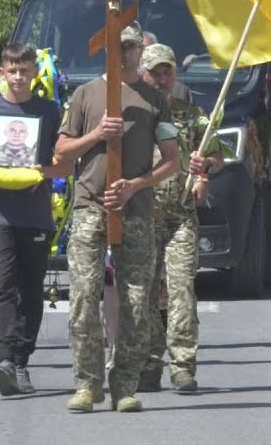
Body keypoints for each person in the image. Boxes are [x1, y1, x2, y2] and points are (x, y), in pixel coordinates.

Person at [56, 21, 181, 414]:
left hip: (137, 210)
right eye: (117, 46)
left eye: (129, 46)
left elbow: (173, 161)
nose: (124, 53)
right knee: (83, 297)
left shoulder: (153, 99)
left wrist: (136, 185)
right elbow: (62, 151)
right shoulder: (84, 94)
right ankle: (86, 383)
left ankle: (124, 384)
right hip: (91, 204)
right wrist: (96, 135)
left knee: (136, 301)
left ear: (139, 49)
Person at [0, 43, 71, 396]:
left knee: (30, 289)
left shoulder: (49, 112)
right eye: (12, 70)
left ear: (34, 72)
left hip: (36, 213)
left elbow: (65, 163)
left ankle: (22, 360)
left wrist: (40, 172)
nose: (18, 76)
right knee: (0, 284)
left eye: (24, 70)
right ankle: (5, 357)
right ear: (1, 72)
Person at [137, 43, 223, 395]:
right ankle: (148, 364)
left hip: (180, 217)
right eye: (155, 72)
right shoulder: (133, 112)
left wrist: (205, 173)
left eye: (166, 71)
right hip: (141, 217)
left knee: (181, 291)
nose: (161, 78)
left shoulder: (191, 113)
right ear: (142, 74)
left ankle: (183, 366)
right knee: (144, 295)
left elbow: (216, 155)